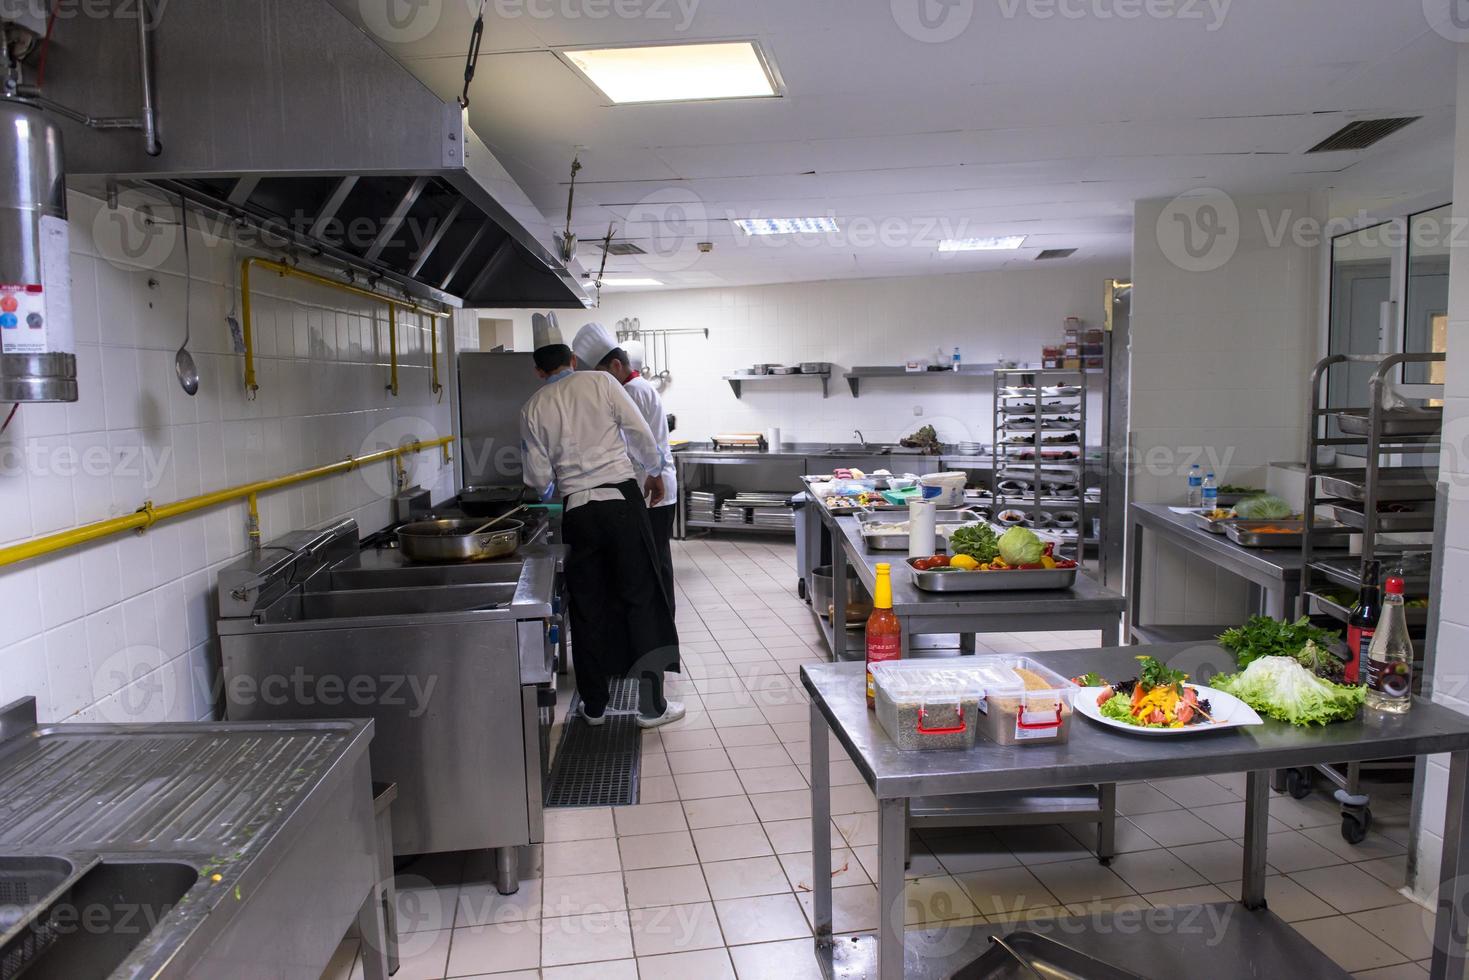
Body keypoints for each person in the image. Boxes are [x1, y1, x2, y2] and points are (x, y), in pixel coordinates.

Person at [519, 316, 684, 729]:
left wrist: (550, 491)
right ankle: (651, 707)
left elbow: (538, 479)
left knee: (589, 608)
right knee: (640, 599)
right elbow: (641, 433)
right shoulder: (602, 383)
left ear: (538, 370)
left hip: (578, 513)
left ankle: (594, 706)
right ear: (573, 360)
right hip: (623, 506)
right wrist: (655, 470)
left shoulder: (531, 408)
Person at [571, 322, 678, 613]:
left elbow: (635, 444)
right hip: (650, 487)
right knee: (655, 562)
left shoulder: (632, 391)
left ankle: (661, 624)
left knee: (656, 564)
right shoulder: (634, 388)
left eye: (601, 375)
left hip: (651, 489)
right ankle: (658, 622)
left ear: (616, 365)